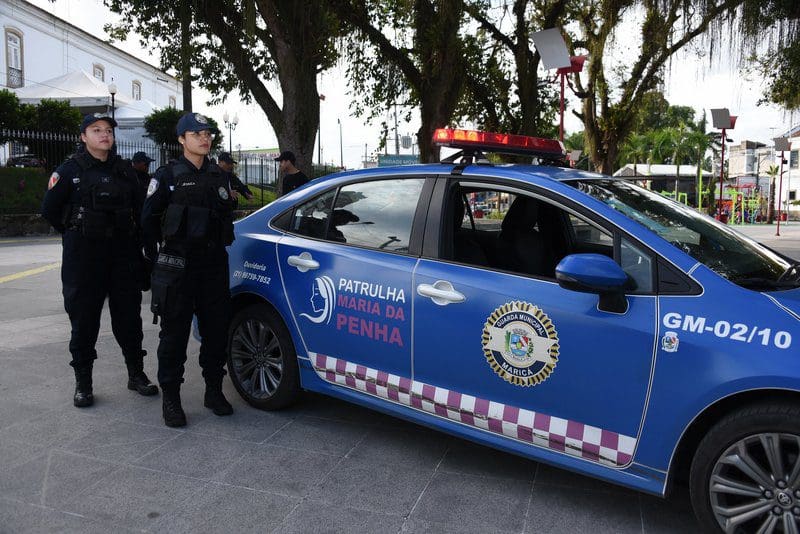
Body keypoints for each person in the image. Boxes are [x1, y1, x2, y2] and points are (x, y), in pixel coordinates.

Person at [41, 113, 157, 408]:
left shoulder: (126, 172)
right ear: (83, 136)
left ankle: (136, 374)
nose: (104, 134)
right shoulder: (68, 170)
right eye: (96, 130)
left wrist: (144, 252)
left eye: (108, 130)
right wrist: (76, 233)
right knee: (84, 322)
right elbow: (51, 211)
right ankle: (83, 383)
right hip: (84, 259)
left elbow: (142, 212)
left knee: (129, 320)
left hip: (122, 256)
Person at [141, 112, 236, 427]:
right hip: (178, 265)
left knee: (216, 331)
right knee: (174, 334)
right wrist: (159, 257)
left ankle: (213, 390)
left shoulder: (218, 175)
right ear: (182, 140)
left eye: (207, 133)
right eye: (196, 134)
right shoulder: (167, 176)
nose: (204, 138)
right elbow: (148, 219)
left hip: (212, 265)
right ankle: (171, 398)